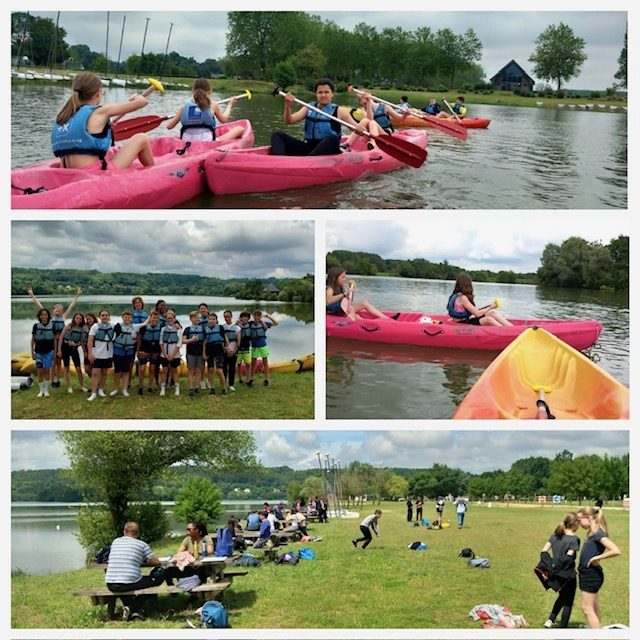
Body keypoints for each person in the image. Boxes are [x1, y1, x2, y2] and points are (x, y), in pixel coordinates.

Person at [52, 71, 154, 170]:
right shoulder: (100, 112)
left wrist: (107, 126)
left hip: (66, 172)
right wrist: (135, 96)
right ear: (98, 93)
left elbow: (83, 134)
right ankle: (155, 172)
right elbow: (142, 102)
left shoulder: (64, 114)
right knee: (141, 138)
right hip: (93, 173)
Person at [271, 78, 364, 157]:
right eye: (320, 92)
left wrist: (360, 128)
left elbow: (355, 128)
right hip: (309, 147)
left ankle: (308, 161)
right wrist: (288, 106)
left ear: (332, 94)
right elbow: (289, 121)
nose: (323, 95)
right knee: (277, 135)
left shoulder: (339, 111)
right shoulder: (309, 107)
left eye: (326, 92)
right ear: (316, 94)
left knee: (333, 138)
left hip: (329, 150)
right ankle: (279, 162)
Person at [104, 521, 161, 622]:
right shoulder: (142, 544)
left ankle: (130, 608)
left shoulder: (116, 541)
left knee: (134, 580)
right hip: (128, 583)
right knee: (155, 580)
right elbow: (155, 562)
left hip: (110, 583)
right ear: (138, 533)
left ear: (124, 532)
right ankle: (133, 607)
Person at [576, 506, 621, 628]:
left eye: (580, 520)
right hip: (587, 573)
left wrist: (596, 558)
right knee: (593, 608)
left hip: (591, 575)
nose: (578, 523)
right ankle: (597, 629)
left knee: (587, 609)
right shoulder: (591, 533)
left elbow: (616, 550)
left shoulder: (598, 533)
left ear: (589, 518)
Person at [29, 286, 82, 388]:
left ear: (62, 311)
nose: (58, 310)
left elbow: (72, 305)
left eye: (60, 309)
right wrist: (32, 294)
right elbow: (39, 305)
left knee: (59, 361)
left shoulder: (64, 317)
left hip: (61, 342)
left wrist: (77, 295)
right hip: (52, 342)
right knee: (53, 362)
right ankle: (52, 379)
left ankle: (57, 379)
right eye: (57, 308)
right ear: (53, 311)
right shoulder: (49, 318)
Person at [166, 77, 243, 142]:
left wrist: (178, 114)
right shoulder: (213, 105)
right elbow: (224, 120)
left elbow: (169, 126)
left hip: (186, 141)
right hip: (207, 141)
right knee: (240, 129)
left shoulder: (184, 107)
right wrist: (230, 104)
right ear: (210, 91)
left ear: (193, 90)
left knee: (181, 134)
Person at [540, 513, 581, 629]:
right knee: (568, 602)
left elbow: (543, 552)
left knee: (562, 597)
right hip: (568, 575)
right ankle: (563, 628)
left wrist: (551, 566)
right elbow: (568, 558)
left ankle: (550, 620)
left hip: (555, 574)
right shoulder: (574, 539)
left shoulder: (554, 536)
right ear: (575, 524)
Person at [447, 273, 513, 326]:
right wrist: (491, 306)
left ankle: (512, 329)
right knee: (489, 319)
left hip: (464, 320)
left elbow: (474, 312)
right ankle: (507, 332)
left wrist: (490, 307)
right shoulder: (463, 298)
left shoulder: (455, 295)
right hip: (462, 323)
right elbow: (477, 314)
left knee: (492, 313)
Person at [164, 521, 214, 585]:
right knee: (167, 570)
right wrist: (187, 553)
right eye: (186, 529)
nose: (187, 531)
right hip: (189, 565)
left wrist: (197, 552)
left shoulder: (206, 538)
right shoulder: (187, 539)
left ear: (196, 530)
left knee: (199, 572)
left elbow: (210, 551)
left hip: (202, 566)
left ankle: (196, 590)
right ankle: (173, 589)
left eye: (189, 529)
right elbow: (179, 552)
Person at [86, 308, 115, 401]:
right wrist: (90, 353)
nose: (104, 317)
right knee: (95, 373)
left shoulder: (113, 326)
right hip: (97, 353)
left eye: (106, 315)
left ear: (109, 317)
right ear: (100, 317)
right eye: (102, 315)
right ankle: (93, 393)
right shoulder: (95, 326)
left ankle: (101, 390)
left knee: (104, 372)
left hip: (108, 353)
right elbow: (90, 341)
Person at [110, 310, 139, 397]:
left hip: (129, 350)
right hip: (118, 350)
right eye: (125, 317)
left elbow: (144, 324)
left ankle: (125, 389)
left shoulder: (134, 327)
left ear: (131, 319)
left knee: (126, 370)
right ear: (122, 318)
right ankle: (116, 389)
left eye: (129, 317)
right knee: (117, 371)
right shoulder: (117, 326)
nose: (127, 318)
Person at [246, 310, 278, 388]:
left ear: (260, 316)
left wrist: (268, 317)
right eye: (255, 316)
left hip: (263, 345)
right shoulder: (250, 324)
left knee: (265, 363)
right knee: (253, 364)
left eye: (258, 316)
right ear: (253, 316)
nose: (256, 317)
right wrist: (249, 319)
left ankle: (266, 379)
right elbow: (240, 322)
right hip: (254, 347)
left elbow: (276, 323)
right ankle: (251, 379)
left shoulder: (264, 323)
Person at [58, 312, 87, 393]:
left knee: (78, 368)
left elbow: (81, 341)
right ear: (74, 318)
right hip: (65, 347)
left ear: (82, 320)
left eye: (80, 319)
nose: (78, 320)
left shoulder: (82, 329)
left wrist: (76, 344)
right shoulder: (68, 326)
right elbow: (61, 338)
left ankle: (81, 386)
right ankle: (69, 387)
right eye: (77, 318)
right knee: (66, 367)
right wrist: (59, 350)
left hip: (74, 348)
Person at [136, 310, 162, 394]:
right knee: (142, 368)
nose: (155, 319)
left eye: (156, 318)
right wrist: (138, 350)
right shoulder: (144, 327)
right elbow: (139, 339)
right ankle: (140, 386)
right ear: (150, 318)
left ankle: (150, 386)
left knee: (152, 368)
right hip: (144, 349)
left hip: (155, 350)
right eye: (153, 317)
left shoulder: (161, 327)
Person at [31, 308, 55, 398]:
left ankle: (46, 390)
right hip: (38, 351)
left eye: (45, 314)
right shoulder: (36, 326)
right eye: (42, 315)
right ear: (39, 316)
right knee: (40, 370)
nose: (44, 316)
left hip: (49, 351)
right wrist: (32, 352)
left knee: (47, 370)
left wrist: (55, 351)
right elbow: (33, 340)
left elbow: (54, 340)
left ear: (48, 316)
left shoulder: (52, 326)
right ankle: (41, 390)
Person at [159, 310, 183, 396]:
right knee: (164, 370)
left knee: (174, 370)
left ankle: (177, 387)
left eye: (171, 318)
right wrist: (165, 354)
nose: (170, 320)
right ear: (166, 319)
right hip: (165, 352)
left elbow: (179, 343)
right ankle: (163, 387)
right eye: (168, 318)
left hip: (174, 353)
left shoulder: (178, 329)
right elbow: (161, 342)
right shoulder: (163, 329)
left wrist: (172, 355)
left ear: (174, 319)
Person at [203, 312, 228, 396]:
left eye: (213, 319)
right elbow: (205, 342)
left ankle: (224, 388)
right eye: (210, 319)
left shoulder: (220, 328)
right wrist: (203, 353)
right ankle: (212, 388)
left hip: (218, 349)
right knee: (210, 370)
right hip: (209, 349)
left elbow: (225, 338)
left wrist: (227, 347)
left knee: (219, 370)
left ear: (216, 320)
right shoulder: (206, 329)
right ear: (208, 320)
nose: (212, 320)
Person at [183, 310, 205, 396]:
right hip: (191, 352)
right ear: (191, 319)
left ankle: (196, 387)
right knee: (191, 370)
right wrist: (191, 340)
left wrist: (204, 353)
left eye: (198, 318)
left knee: (199, 370)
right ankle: (191, 388)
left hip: (199, 353)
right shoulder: (187, 329)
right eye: (195, 317)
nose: (197, 319)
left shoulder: (202, 329)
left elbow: (204, 342)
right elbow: (183, 341)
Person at [222, 310, 241, 391]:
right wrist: (226, 348)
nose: (227, 318)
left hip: (234, 349)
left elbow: (238, 341)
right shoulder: (222, 327)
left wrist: (234, 350)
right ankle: (224, 383)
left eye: (228, 316)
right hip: (225, 349)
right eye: (225, 317)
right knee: (224, 367)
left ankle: (231, 384)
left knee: (232, 367)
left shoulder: (237, 327)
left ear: (231, 316)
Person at [235, 311, 253, 385]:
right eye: (243, 317)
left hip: (246, 348)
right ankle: (240, 379)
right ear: (240, 318)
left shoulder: (251, 324)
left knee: (248, 364)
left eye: (246, 317)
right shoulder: (237, 325)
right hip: (238, 348)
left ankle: (248, 379)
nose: (244, 318)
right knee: (238, 364)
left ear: (248, 318)